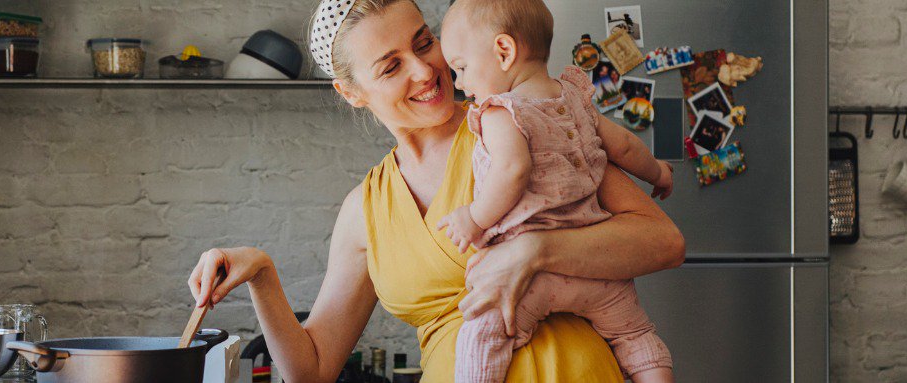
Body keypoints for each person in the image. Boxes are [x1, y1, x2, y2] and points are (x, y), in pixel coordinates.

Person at [186, 0, 685, 382]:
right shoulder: (367, 208)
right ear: (351, 92)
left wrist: (537, 250)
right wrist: (261, 274)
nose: (425, 71)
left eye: (424, 44)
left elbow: (664, 242)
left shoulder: (518, 124)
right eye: (391, 66)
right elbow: (312, 369)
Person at [434, 0, 674, 381]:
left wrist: (474, 218)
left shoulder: (500, 111)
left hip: (533, 280)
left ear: (504, 51)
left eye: (461, 68)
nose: (460, 83)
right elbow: (625, 147)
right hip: (598, 272)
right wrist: (658, 172)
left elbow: (512, 170)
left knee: (482, 332)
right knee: (634, 332)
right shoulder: (575, 98)